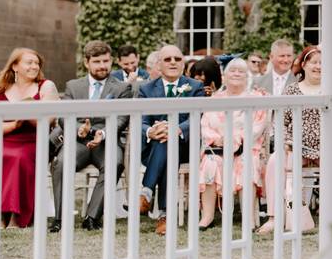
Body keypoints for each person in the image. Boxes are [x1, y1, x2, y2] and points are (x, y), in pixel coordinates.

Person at [257, 46, 332, 234]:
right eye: (314, 62)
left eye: (323, 63)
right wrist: (286, 142)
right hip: (295, 147)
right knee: (275, 161)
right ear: (304, 65)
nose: (318, 67)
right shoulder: (292, 90)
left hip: (328, 147)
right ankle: (274, 218)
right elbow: (281, 121)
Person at [50, 41, 132, 232]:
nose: (102, 65)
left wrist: (101, 134)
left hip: (106, 142)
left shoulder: (122, 88)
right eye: (97, 61)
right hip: (78, 141)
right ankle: (60, 219)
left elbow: (121, 119)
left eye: (106, 61)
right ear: (87, 63)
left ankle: (93, 217)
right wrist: (79, 128)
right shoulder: (73, 86)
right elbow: (63, 116)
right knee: (60, 164)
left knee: (115, 163)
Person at [0, 48, 59, 228]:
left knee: (19, 158)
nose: (34, 66)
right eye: (29, 62)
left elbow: (49, 121)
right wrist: (14, 124)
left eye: (37, 63)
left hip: (33, 141)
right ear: (15, 66)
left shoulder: (46, 86)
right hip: (4, 139)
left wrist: (28, 114)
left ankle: (16, 216)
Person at [137, 44, 206, 236]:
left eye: (177, 59)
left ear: (183, 63)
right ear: (159, 65)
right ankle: (164, 215)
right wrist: (150, 131)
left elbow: (198, 117)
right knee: (164, 143)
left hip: (185, 146)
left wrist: (176, 129)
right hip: (153, 149)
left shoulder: (195, 87)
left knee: (169, 142)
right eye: (168, 59)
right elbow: (140, 121)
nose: (173, 62)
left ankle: (146, 192)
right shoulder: (146, 89)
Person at [198, 58, 269, 230]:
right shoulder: (215, 99)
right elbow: (205, 125)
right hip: (218, 149)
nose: (236, 73)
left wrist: (237, 139)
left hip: (246, 148)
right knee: (210, 164)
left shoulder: (257, 98)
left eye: (241, 71)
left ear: (247, 77)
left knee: (246, 164)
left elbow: (259, 125)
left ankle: (248, 218)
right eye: (232, 70)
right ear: (225, 75)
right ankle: (207, 216)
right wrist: (218, 139)